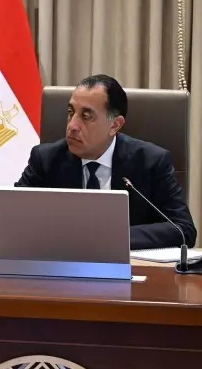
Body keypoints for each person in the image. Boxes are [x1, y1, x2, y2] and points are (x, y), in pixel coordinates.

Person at [15, 74, 197, 250]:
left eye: (86, 116)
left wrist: (112, 237)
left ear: (115, 125)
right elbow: (12, 217)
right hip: (61, 264)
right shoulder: (46, 159)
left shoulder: (151, 162)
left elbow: (184, 230)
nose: (72, 126)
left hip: (130, 268)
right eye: (71, 112)